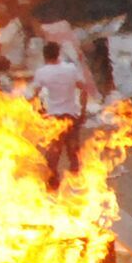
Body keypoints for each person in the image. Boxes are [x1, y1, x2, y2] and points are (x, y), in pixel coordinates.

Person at [28, 41, 90, 191]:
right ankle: (76, 184)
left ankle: (52, 183)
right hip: (72, 115)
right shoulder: (71, 69)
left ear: (45, 56)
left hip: (54, 117)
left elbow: (33, 95)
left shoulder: (42, 72)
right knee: (74, 152)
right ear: (58, 53)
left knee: (53, 154)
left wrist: (35, 111)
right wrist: (82, 111)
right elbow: (84, 89)